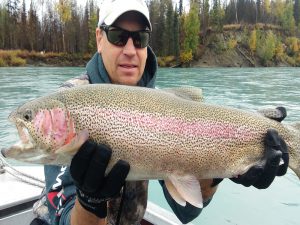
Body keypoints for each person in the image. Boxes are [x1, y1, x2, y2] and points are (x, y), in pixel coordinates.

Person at [31, 0, 289, 225]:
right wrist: (89, 201)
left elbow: (186, 211)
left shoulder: (164, 107)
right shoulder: (67, 105)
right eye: (118, 36)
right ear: (100, 38)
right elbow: (59, 216)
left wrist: (224, 170)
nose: (130, 50)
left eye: (140, 38)